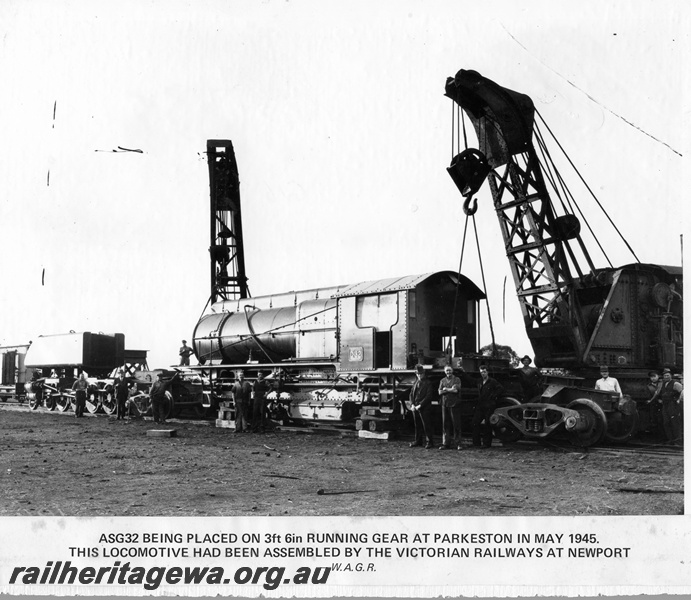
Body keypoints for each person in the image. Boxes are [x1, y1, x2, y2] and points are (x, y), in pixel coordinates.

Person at [472, 364, 505, 448]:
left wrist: (493, 396)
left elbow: (501, 388)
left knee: (487, 424)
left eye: (484, 372)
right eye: (481, 372)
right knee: (475, 423)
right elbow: (470, 380)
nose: (483, 374)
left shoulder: (492, 381)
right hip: (480, 405)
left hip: (489, 405)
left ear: (487, 372)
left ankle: (486, 444)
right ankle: (476, 443)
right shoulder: (479, 381)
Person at [409, 365, 435, 449]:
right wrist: (412, 404)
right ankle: (418, 440)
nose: (419, 375)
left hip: (424, 407)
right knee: (417, 425)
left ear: (424, 374)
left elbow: (429, 396)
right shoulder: (415, 382)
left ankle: (429, 442)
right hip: (415, 407)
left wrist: (420, 405)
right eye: (418, 374)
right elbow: (411, 394)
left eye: (421, 374)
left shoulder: (428, 383)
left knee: (426, 425)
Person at [438, 365, 463, 450]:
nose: (448, 372)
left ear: (452, 371)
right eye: (447, 371)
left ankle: (458, 443)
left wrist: (445, 389)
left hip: (454, 404)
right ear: (445, 372)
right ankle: (446, 443)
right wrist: (450, 389)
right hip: (445, 404)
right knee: (445, 424)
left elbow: (456, 390)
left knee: (456, 424)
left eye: (449, 370)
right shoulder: (442, 380)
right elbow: (439, 392)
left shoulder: (457, 379)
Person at [656, 368, 683, 445]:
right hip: (665, 405)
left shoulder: (676, 384)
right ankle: (670, 440)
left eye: (668, 375)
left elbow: (682, 393)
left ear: (671, 376)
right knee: (666, 423)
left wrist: (677, 401)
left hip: (673, 405)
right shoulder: (663, 384)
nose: (666, 377)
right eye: (665, 375)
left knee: (675, 423)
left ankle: (678, 441)